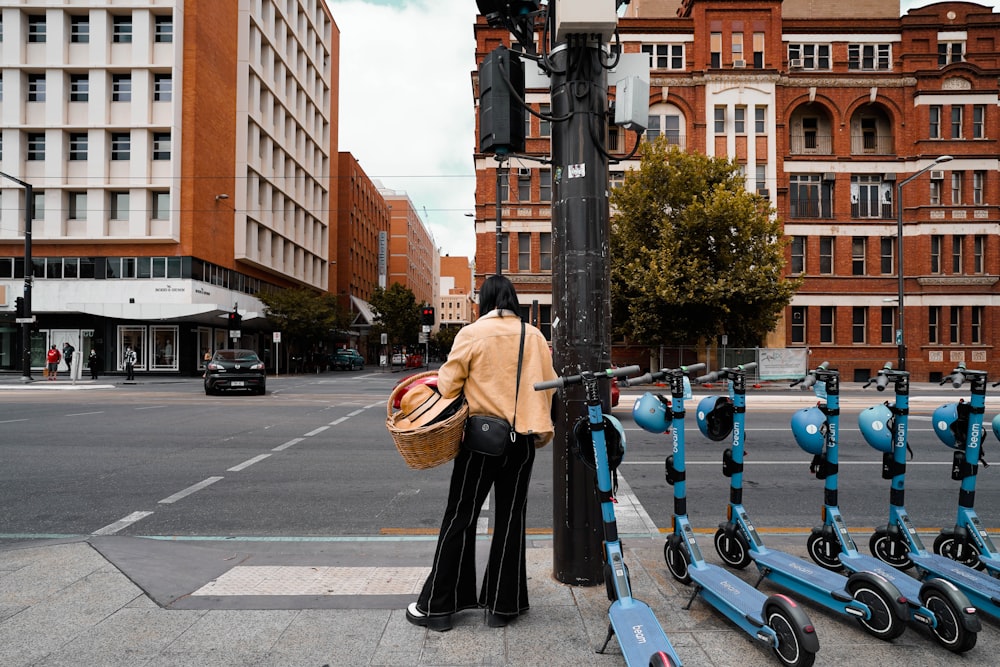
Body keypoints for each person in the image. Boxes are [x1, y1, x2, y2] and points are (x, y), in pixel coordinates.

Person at [405, 274, 557, 632]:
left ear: (484, 301)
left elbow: (447, 384)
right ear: (514, 300)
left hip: (480, 441)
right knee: (511, 520)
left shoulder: (472, 333)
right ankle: (503, 606)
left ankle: (439, 607)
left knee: (460, 517)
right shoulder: (533, 336)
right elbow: (548, 386)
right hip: (521, 443)